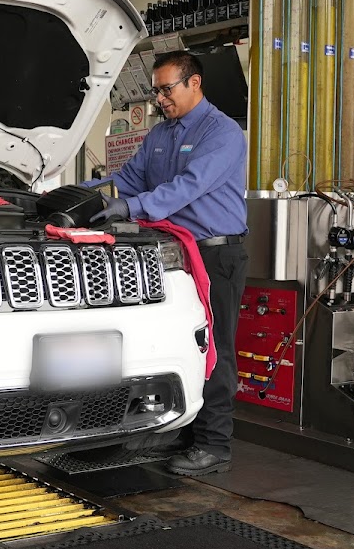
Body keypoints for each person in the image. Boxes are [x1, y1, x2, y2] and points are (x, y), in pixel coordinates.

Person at [86, 51, 247, 477]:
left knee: (216, 347)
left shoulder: (223, 132)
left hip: (216, 253)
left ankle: (215, 444)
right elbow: (127, 177)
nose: (159, 98)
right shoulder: (160, 135)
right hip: (176, 254)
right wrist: (77, 194)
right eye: (156, 90)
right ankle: (186, 427)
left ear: (194, 83)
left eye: (166, 89)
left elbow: (186, 188)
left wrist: (130, 208)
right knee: (182, 343)